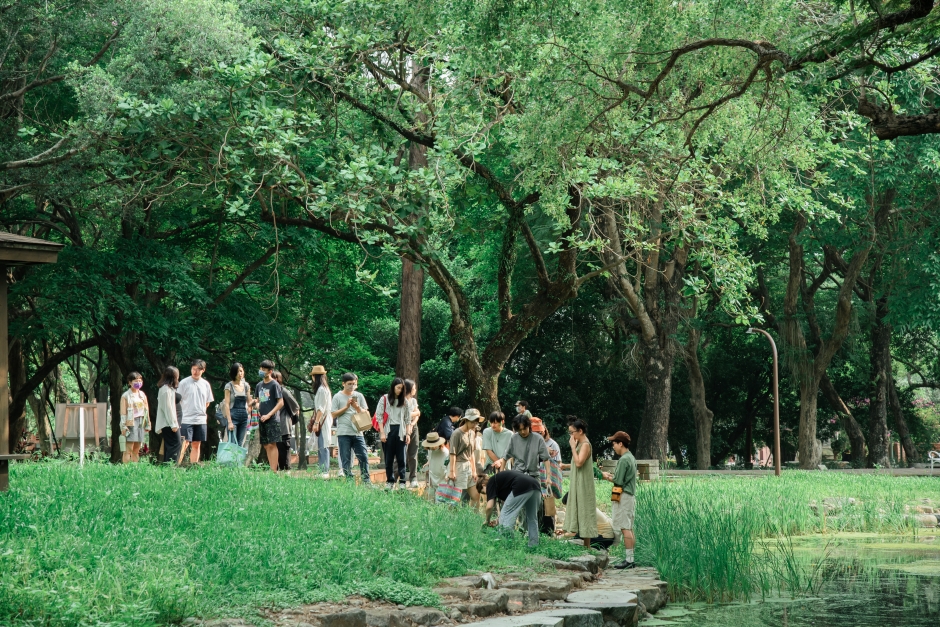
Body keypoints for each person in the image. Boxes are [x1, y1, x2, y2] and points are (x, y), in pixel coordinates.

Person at [602, 431, 638, 569]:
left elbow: (618, 480)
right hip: (629, 496)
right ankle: (630, 558)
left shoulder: (624, 460)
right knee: (628, 527)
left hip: (624, 496)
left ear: (620, 443)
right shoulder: (631, 457)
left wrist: (605, 476)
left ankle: (629, 561)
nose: (613, 446)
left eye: (614, 443)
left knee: (625, 528)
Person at [483, 469, 542, 547]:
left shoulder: (491, 482)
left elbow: (489, 507)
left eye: (483, 492)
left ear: (483, 485)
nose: (486, 494)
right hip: (535, 485)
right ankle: (533, 545)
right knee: (532, 517)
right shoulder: (501, 484)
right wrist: (498, 520)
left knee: (506, 513)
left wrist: (487, 521)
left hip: (521, 485)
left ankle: (506, 545)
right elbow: (511, 507)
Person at [563, 416, 597, 546]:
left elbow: (579, 463)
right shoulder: (580, 444)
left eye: (572, 432)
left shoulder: (585, 445)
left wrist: (572, 447)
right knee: (580, 508)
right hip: (578, 482)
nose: (571, 435)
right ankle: (585, 545)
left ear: (580, 431)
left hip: (584, 483)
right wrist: (565, 466)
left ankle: (587, 546)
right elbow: (575, 463)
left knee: (585, 509)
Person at [331, 372, 371, 484]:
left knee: (363, 456)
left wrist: (356, 407)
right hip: (344, 432)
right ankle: (349, 480)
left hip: (358, 431)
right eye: (349, 384)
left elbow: (365, 412)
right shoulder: (337, 396)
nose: (352, 386)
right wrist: (346, 407)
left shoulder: (359, 396)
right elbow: (333, 414)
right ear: (343, 384)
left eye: (354, 384)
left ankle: (366, 480)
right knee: (346, 458)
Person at [177, 359, 214, 465]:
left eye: (198, 369)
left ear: (203, 370)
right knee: (184, 443)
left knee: (197, 443)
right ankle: (177, 465)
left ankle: (193, 465)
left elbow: (208, 402)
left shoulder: (206, 384)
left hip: (201, 419)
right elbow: (177, 400)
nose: (195, 371)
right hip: (186, 418)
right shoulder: (184, 383)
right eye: (193, 369)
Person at [377, 377, 411, 487]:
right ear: (393, 387)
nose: (400, 390)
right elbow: (379, 417)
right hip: (388, 431)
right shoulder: (384, 399)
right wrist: (382, 433)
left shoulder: (405, 401)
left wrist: (408, 434)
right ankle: (390, 481)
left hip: (401, 431)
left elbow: (407, 419)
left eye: (402, 388)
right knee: (389, 458)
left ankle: (402, 481)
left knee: (402, 458)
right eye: (398, 388)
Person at [493, 414, 550, 480]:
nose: (523, 432)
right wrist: (501, 474)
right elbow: (505, 457)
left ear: (529, 426)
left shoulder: (538, 438)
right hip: (517, 475)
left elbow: (546, 459)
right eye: (520, 430)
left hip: (533, 476)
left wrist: (548, 477)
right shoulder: (514, 438)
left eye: (524, 429)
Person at [448, 409, 484, 505]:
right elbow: (452, 453)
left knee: (476, 495)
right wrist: (452, 472)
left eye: (476, 422)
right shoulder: (457, 433)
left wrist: (474, 470)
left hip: (469, 465)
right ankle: (451, 518)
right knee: (456, 498)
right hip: (459, 465)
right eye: (472, 421)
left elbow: (471, 452)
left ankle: (475, 519)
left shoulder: (472, 433)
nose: (474, 424)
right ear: (466, 420)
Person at [256, 360, 284, 472]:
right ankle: (271, 468)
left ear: (270, 371)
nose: (261, 371)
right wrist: (257, 408)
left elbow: (281, 402)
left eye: (264, 369)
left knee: (272, 444)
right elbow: (258, 401)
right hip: (261, 419)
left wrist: (268, 415)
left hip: (272, 419)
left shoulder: (274, 385)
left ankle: (274, 471)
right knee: (266, 445)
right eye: (261, 368)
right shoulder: (259, 385)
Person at [308, 365, 333, 478]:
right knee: (321, 445)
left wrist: (316, 422)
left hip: (323, 420)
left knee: (323, 446)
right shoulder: (322, 389)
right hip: (322, 420)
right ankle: (322, 470)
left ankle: (325, 471)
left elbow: (321, 409)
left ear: (315, 377)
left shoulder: (322, 390)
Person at [120, 372, 150, 463]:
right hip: (131, 423)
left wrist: (148, 423)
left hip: (141, 421)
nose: (138, 382)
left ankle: (135, 468)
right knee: (128, 448)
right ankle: (126, 469)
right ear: (129, 382)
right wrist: (123, 426)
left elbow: (146, 410)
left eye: (140, 380)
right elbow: (123, 413)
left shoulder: (142, 394)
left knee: (137, 449)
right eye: (136, 381)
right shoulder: (125, 396)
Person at [273, 371, 299, 471]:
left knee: (284, 448)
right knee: (275, 448)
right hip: (274, 425)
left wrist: (291, 417)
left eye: (275, 378)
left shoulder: (283, 391)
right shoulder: (270, 392)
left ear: (279, 379)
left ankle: (286, 470)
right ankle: (277, 469)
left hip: (284, 424)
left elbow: (296, 406)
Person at [223, 362, 254, 447]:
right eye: (237, 372)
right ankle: (231, 460)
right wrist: (229, 422)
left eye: (241, 371)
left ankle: (238, 461)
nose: (240, 374)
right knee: (233, 443)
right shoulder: (229, 386)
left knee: (240, 443)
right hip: (233, 416)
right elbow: (226, 404)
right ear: (233, 373)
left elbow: (249, 402)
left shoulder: (246, 385)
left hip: (244, 417)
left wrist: (256, 401)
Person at [154, 366, 181, 464]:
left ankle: (168, 466)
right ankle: (170, 466)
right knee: (175, 444)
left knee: (170, 445)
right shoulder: (165, 390)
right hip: (168, 423)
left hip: (169, 422)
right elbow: (167, 409)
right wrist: (173, 424)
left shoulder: (169, 389)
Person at [421, 431, 448, 499]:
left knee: (440, 502)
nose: (432, 447)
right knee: (431, 501)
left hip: (442, 479)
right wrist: (428, 463)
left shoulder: (445, 453)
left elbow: (447, 466)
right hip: (432, 478)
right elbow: (431, 458)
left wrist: (447, 475)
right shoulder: (430, 450)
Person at [404, 379, 421, 487]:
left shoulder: (413, 401)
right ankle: (395, 477)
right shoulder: (400, 401)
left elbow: (418, 414)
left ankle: (413, 478)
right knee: (400, 454)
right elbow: (404, 415)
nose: (415, 390)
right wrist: (413, 414)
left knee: (413, 454)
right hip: (402, 429)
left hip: (413, 427)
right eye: (414, 388)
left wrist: (411, 424)